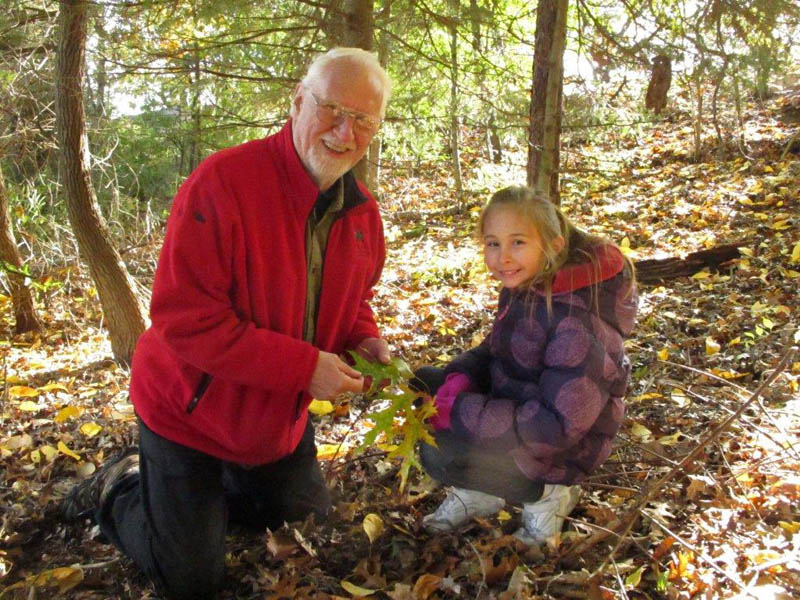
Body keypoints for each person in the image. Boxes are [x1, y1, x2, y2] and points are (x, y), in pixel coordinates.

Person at [60, 48, 393, 600]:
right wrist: (306, 367)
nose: (344, 130)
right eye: (332, 108)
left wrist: (365, 338)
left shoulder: (362, 217)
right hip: (186, 414)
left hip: (269, 421)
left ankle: (212, 496)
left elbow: (351, 299)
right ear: (296, 103)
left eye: (363, 118)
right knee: (191, 580)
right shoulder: (224, 182)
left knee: (307, 523)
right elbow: (185, 321)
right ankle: (121, 486)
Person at [412, 185, 637, 545]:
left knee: (443, 448)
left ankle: (548, 496)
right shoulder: (527, 285)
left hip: (562, 445)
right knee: (430, 395)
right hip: (525, 413)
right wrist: (459, 375)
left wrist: (461, 411)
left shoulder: (575, 322)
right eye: (492, 243)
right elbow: (499, 347)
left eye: (518, 242)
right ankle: (480, 494)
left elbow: (557, 427)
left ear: (553, 246)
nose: (503, 258)